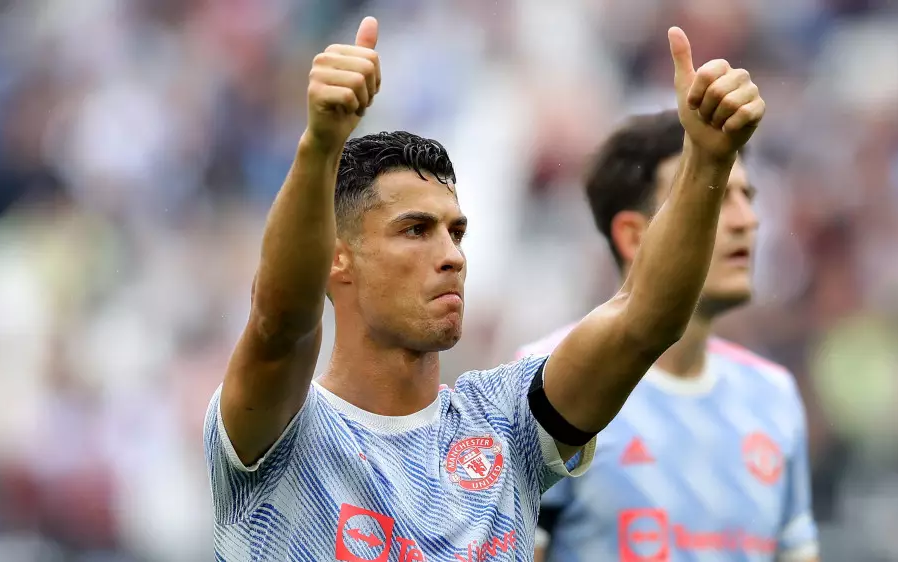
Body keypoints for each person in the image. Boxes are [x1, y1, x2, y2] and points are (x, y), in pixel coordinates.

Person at [203, 15, 766, 561]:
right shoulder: (279, 432)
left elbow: (643, 320)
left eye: (456, 233)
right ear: (337, 260)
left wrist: (707, 161)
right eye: (415, 230)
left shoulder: (506, 423)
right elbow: (280, 322)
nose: (452, 256)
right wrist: (320, 145)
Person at [522, 109, 819, 562]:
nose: (747, 220)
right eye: (714, 198)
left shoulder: (773, 396)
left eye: (747, 197)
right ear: (633, 236)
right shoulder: (549, 383)